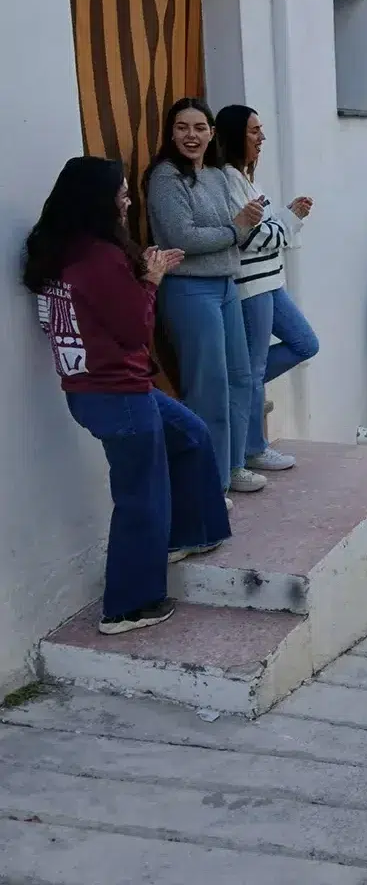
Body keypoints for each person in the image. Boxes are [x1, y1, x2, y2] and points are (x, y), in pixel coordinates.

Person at [24, 157, 230, 634]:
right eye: (121, 193)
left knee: (192, 435)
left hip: (95, 390)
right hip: (118, 394)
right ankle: (129, 607)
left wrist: (140, 270)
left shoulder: (59, 249)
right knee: (142, 497)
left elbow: (80, 313)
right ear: (98, 200)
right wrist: (152, 280)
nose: (127, 200)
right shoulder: (98, 257)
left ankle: (191, 534)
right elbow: (136, 329)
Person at [144, 98, 266, 498]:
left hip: (226, 284)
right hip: (190, 289)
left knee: (240, 379)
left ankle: (231, 467)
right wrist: (235, 229)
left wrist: (242, 225)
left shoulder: (213, 175)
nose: (191, 136)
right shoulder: (165, 178)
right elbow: (182, 237)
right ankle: (208, 484)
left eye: (200, 128)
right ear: (171, 132)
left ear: (212, 133)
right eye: (183, 127)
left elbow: (234, 231)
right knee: (208, 386)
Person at [215, 105, 319, 474]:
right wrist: (290, 220)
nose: (261, 139)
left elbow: (270, 231)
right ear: (233, 135)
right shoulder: (227, 179)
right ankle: (254, 448)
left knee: (305, 343)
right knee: (254, 368)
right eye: (254, 131)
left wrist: (285, 219)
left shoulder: (245, 179)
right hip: (251, 286)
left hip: (270, 282)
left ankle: (242, 387)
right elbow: (255, 237)